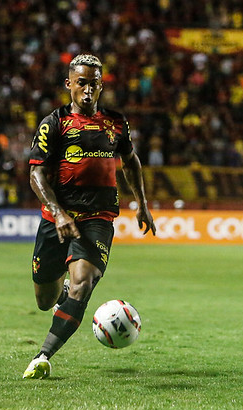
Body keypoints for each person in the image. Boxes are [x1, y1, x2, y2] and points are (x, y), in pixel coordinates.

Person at [23, 54, 156, 379]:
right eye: (81, 82)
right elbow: (36, 176)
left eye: (94, 83)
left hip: (98, 218)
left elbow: (131, 161)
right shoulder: (53, 123)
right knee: (45, 298)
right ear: (69, 84)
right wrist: (58, 213)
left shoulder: (115, 122)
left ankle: (43, 355)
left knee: (84, 283)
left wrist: (142, 202)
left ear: (101, 86)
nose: (87, 89)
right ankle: (62, 294)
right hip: (57, 220)